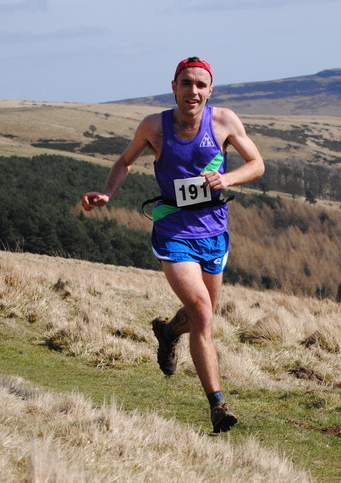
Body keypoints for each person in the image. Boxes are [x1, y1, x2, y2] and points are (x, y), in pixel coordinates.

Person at [82, 57, 264, 433]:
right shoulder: (154, 126)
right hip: (173, 231)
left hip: (213, 232)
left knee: (204, 315)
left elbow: (257, 164)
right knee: (201, 314)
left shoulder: (224, 121)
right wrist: (107, 192)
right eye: (186, 83)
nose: (192, 91)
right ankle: (217, 406)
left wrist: (227, 179)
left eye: (200, 84)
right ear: (174, 86)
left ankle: (167, 333)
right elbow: (125, 160)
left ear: (210, 90)